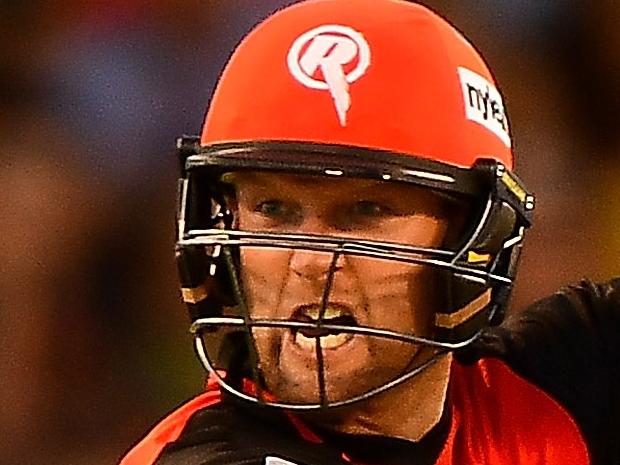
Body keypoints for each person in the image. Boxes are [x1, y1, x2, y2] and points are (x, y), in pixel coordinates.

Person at [120, 1, 620, 464]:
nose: (310, 259)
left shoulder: (555, 390)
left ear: (475, 234)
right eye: (273, 209)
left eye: (365, 210)